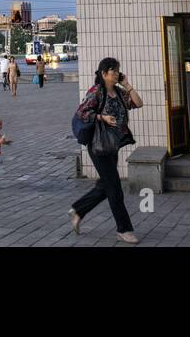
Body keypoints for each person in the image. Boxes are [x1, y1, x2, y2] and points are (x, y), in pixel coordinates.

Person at [69, 57, 143, 244]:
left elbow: (138, 103)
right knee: (115, 188)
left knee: (105, 185)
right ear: (103, 74)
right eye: (113, 71)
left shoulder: (118, 92)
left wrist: (127, 84)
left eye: (118, 71)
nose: (117, 74)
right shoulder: (96, 92)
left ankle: (79, 210)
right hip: (98, 145)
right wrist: (102, 117)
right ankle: (124, 229)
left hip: (112, 145)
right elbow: (82, 113)